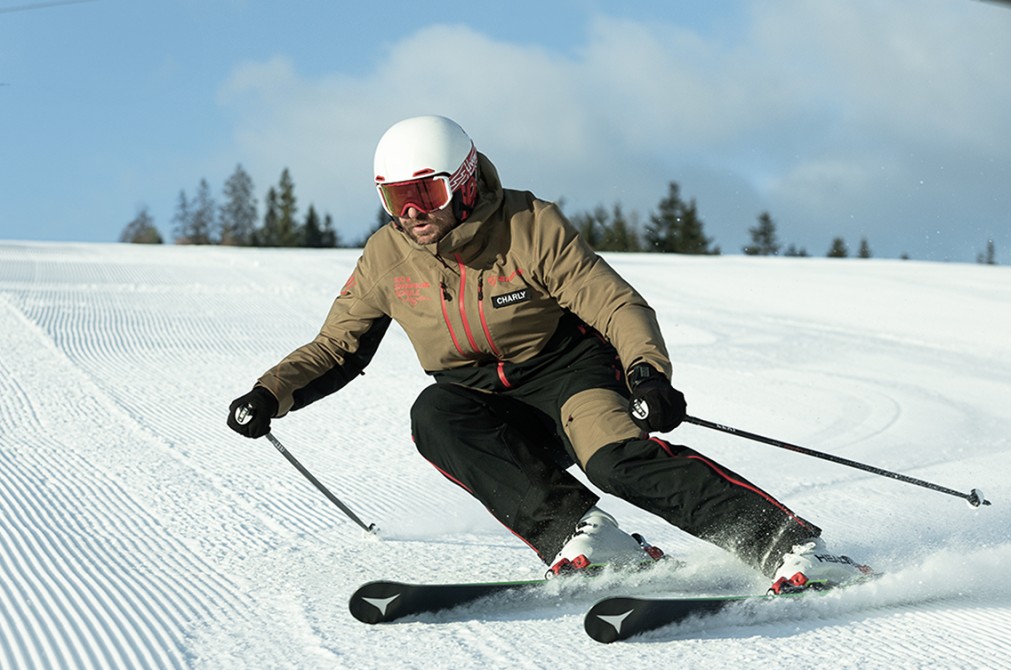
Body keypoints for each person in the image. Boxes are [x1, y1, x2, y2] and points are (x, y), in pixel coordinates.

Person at [227, 114, 872, 593]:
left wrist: (647, 372)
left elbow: (614, 303)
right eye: (398, 199)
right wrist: (270, 392)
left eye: (428, 194)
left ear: (465, 183)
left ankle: (790, 549)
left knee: (619, 462)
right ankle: (582, 535)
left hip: (569, 375)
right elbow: (339, 346)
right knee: (435, 413)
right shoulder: (387, 258)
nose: (414, 214)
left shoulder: (530, 226)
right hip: (483, 397)